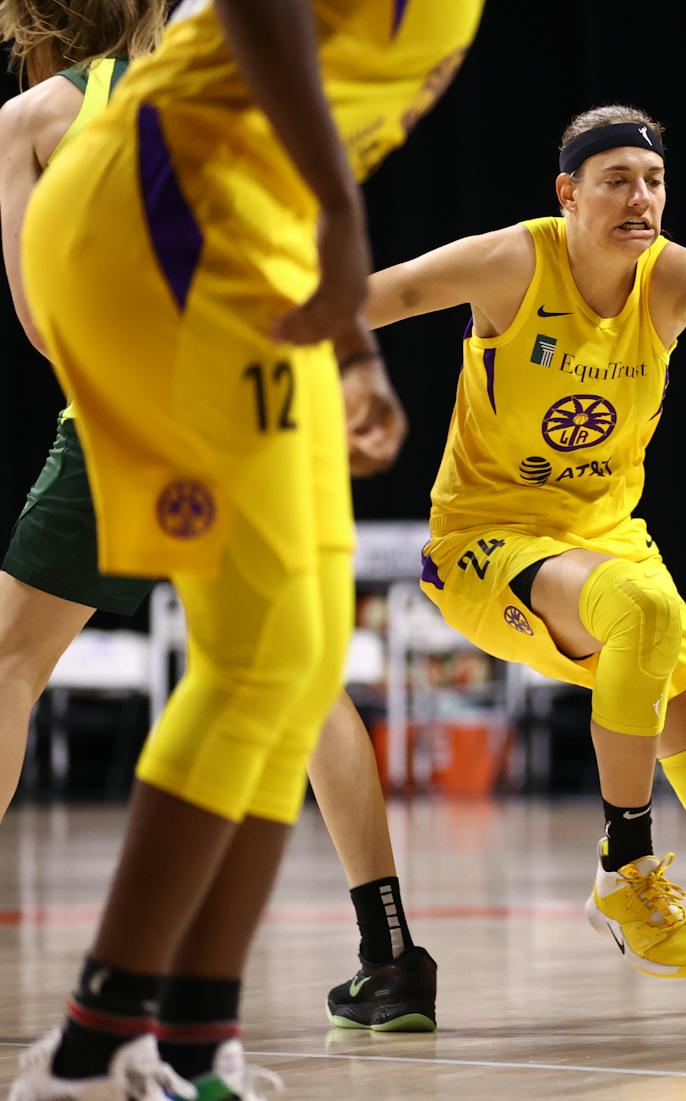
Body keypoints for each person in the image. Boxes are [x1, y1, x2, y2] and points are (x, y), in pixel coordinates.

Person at [7, 2, 484, 1098]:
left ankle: (189, 1043)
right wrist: (345, 251)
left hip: (230, 237)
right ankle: (93, 1048)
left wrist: (348, 340)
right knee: (263, 662)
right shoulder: (51, 111)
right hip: (160, 222)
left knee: (301, 661)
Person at [364, 104, 686, 1016]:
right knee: (637, 605)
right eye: (616, 181)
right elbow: (384, 293)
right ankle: (625, 862)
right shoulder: (513, 260)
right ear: (568, 192)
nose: (641, 198)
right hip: (487, 538)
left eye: (653, 180)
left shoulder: (674, 276)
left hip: (604, 539)